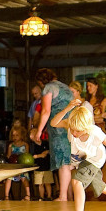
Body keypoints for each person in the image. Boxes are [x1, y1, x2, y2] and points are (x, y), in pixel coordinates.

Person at [33, 68, 73, 201]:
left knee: (63, 163)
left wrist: (39, 130)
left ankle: (62, 196)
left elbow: (45, 111)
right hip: (70, 127)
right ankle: (70, 196)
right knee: (69, 162)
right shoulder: (65, 87)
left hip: (58, 128)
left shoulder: (49, 88)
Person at [2, 126, 31, 201]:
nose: (15, 137)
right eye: (13, 135)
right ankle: (6, 196)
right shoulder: (11, 145)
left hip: (22, 166)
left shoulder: (25, 145)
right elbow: (8, 156)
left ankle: (28, 195)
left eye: (17, 135)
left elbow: (27, 155)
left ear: (22, 136)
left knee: (24, 178)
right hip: (13, 166)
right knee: (9, 178)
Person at [29, 126, 52, 200]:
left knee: (47, 183)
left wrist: (47, 151)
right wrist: (40, 155)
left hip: (47, 167)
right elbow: (32, 156)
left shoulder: (45, 143)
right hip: (38, 168)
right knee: (40, 184)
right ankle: (41, 197)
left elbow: (50, 150)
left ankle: (49, 196)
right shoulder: (32, 146)